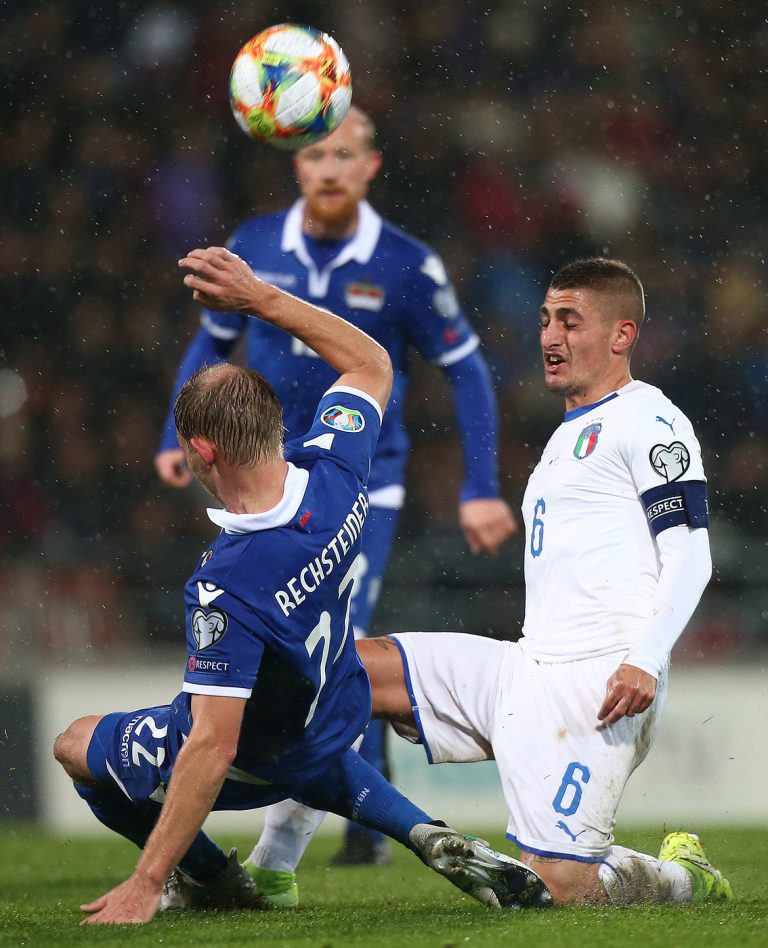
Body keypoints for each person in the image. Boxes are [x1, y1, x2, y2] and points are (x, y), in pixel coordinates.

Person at [53, 248, 550, 926]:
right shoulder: (336, 472)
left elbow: (213, 747)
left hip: (264, 753)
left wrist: (147, 879)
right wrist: (261, 298)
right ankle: (418, 829)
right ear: (274, 421)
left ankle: (212, 879)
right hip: (333, 712)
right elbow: (371, 363)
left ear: (203, 451)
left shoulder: (225, 583)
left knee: (76, 743)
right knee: (297, 715)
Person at [154, 106, 517, 875]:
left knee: (337, 637)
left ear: (370, 167)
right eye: (316, 154)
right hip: (262, 477)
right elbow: (211, 342)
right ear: (296, 163)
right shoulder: (254, 245)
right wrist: (171, 436)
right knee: (299, 641)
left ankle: (303, 846)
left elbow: (465, 369)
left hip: (359, 479)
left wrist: (481, 485)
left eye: (344, 155)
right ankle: (354, 818)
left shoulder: (407, 264)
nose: (328, 168)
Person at [355, 257, 733, 905]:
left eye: (570, 321)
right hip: (526, 666)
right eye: (545, 320)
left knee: (558, 887)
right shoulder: (567, 433)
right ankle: (274, 862)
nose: (550, 336)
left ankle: (684, 879)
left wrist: (644, 658)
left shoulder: (650, 420)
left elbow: (691, 554)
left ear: (621, 335)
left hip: (601, 685)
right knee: (345, 673)